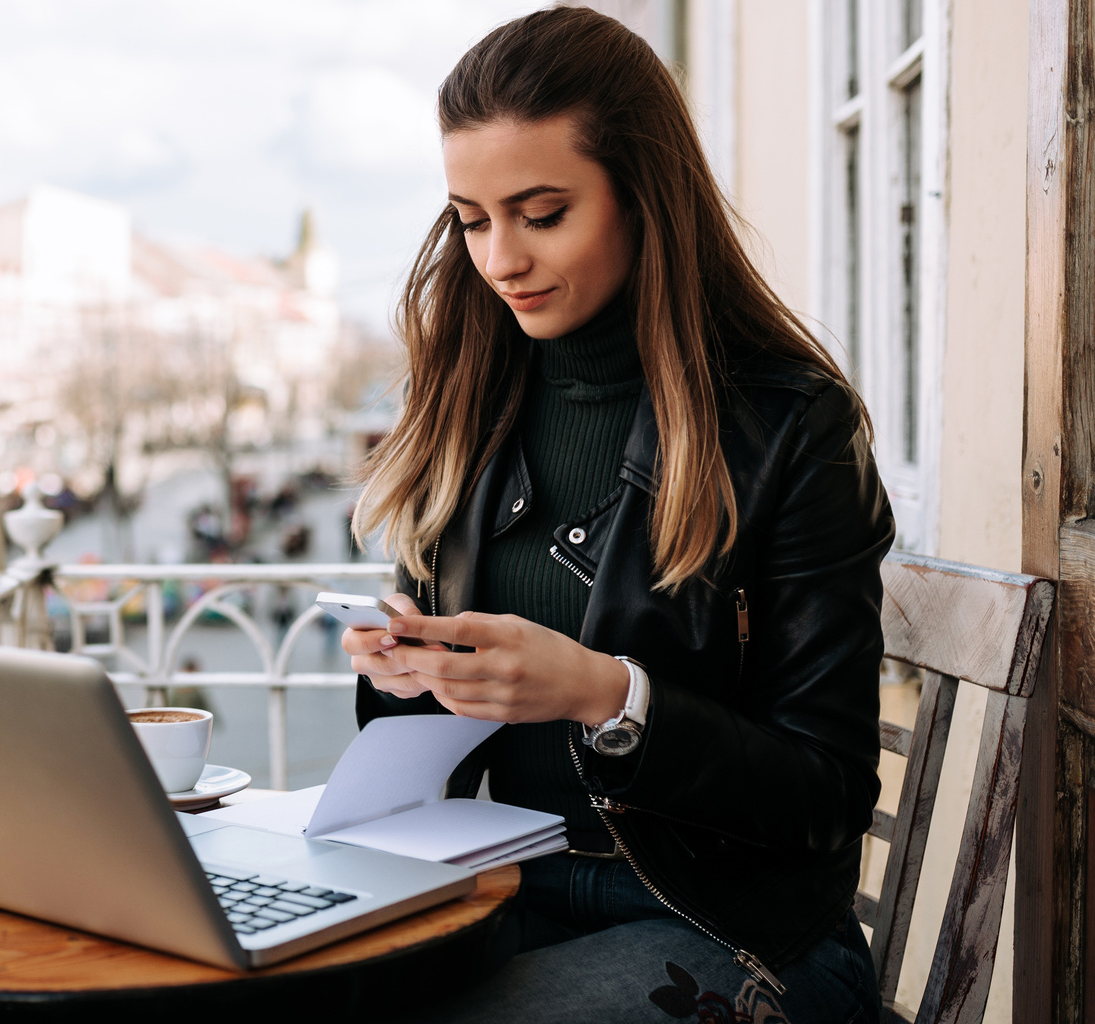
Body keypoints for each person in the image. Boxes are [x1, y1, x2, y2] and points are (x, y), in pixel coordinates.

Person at [344, 8, 892, 1023]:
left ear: (645, 196)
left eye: (542, 213)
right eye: (470, 219)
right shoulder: (464, 408)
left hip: (731, 930)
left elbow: (824, 791)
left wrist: (609, 695)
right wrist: (408, 672)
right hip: (494, 901)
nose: (499, 257)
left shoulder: (791, 425)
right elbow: (428, 755)